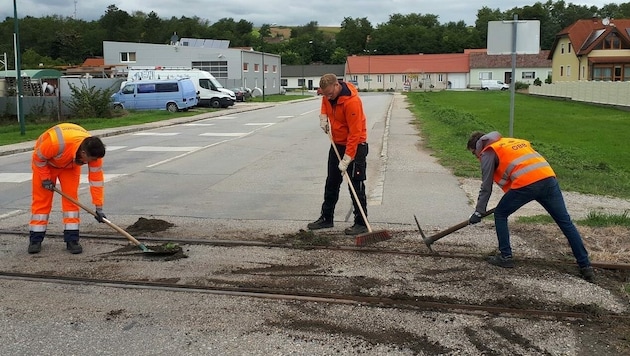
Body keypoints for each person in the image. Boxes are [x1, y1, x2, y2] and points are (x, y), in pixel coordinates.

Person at [467, 131, 595, 281]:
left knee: (500, 214)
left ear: (478, 146)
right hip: (548, 179)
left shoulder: (488, 152)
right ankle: (585, 266)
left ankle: (505, 256)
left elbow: (486, 186)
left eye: (473, 153)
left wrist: (478, 212)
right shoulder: (509, 142)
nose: (476, 157)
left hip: (526, 184)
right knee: (565, 222)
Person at [29, 123, 107, 254]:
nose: (92, 162)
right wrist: (45, 178)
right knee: (42, 201)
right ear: (83, 153)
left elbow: (96, 181)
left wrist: (98, 207)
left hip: (70, 166)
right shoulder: (55, 143)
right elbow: (38, 158)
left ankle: (72, 239)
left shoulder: (94, 155)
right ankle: (35, 240)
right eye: (90, 159)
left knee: (71, 200)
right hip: (46, 165)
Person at [307, 73, 369, 235]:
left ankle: (361, 222)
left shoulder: (352, 103)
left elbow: (355, 134)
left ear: (337, 85)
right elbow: (325, 102)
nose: (328, 97)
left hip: (356, 146)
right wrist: (323, 117)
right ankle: (326, 218)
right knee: (331, 182)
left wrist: (348, 158)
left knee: (356, 185)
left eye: (330, 94)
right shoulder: (328, 96)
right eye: (325, 94)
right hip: (337, 145)